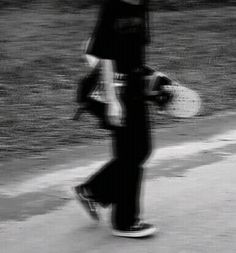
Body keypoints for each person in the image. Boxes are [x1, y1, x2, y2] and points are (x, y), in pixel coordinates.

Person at [74, 0, 157, 238]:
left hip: (134, 85)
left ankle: (93, 190)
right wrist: (113, 99)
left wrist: (151, 79)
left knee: (141, 150)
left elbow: (136, 49)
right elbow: (103, 53)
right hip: (114, 89)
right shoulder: (113, 5)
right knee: (131, 154)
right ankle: (125, 222)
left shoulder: (142, 4)